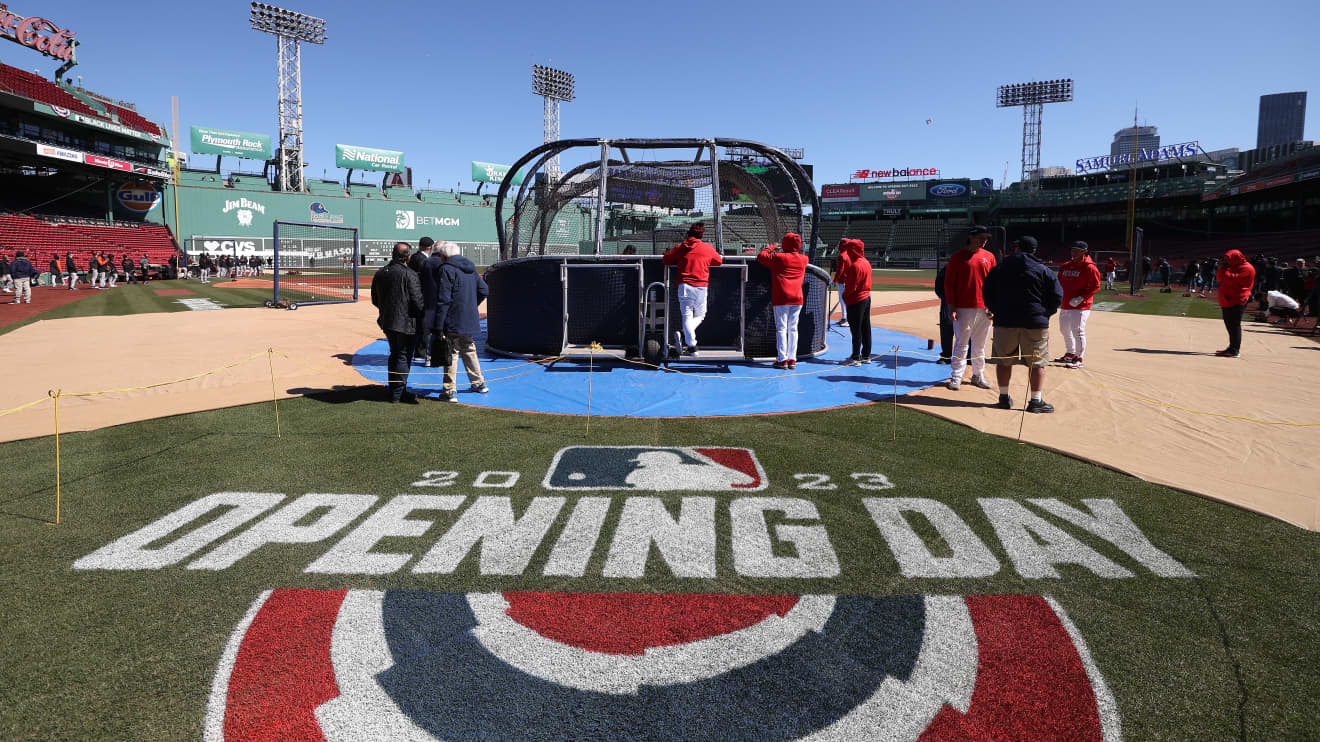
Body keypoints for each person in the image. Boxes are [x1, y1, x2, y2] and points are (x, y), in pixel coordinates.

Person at [983, 236, 1063, 413]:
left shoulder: (1000, 268)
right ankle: (1035, 401)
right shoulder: (1044, 270)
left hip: (1005, 321)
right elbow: (1057, 296)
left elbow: (987, 292)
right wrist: (1044, 313)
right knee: (1037, 363)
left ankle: (1003, 398)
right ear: (1034, 250)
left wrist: (996, 309)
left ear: (1017, 248)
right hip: (1035, 322)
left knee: (1004, 361)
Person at [432, 241, 489, 402]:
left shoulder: (446, 269)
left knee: (451, 352)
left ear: (443, 256)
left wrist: (438, 325)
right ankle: (478, 383)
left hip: (452, 318)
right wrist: (471, 305)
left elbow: (443, 299)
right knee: (469, 349)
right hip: (469, 318)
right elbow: (484, 290)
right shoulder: (470, 268)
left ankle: (450, 390)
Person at [943, 225, 997, 390]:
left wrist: (993, 306)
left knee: (980, 344)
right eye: (981, 237)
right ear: (971, 237)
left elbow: (995, 284)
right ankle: (956, 376)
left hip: (985, 308)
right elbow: (949, 284)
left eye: (986, 238)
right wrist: (951, 307)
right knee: (961, 343)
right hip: (963, 308)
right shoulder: (957, 257)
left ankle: (977, 374)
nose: (984, 241)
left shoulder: (989, 257)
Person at [370, 242, 424, 403]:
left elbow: (375, 299)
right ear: (408, 257)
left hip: (388, 321)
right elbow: (418, 302)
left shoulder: (380, 273)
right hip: (405, 323)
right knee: (402, 356)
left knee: (395, 354)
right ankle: (397, 393)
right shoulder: (409, 274)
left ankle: (396, 389)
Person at [662, 224, 723, 355]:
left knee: (687, 316)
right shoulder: (707, 248)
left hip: (684, 286)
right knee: (700, 316)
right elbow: (718, 261)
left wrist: (679, 261)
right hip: (701, 286)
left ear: (689, 233)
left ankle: (688, 339)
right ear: (702, 235)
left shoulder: (681, 247)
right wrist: (705, 261)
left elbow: (666, 259)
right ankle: (691, 345)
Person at [757, 232, 809, 369]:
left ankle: (782, 359)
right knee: (793, 329)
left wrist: (771, 247)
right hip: (797, 298)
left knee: (781, 329)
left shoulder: (779, 257)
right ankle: (792, 359)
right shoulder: (804, 259)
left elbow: (761, 256)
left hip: (782, 298)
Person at [1055, 241, 1102, 369]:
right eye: (1072, 249)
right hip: (1066, 304)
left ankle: (1079, 358)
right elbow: (1058, 282)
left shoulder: (1089, 267)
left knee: (1078, 331)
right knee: (1064, 329)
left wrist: (1081, 298)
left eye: (1077, 250)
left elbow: (1096, 286)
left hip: (1081, 306)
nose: (1073, 252)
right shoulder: (1066, 266)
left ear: (1084, 252)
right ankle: (1070, 353)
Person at [832, 238, 872, 364]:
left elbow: (851, 287)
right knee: (866, 327)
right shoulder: (866, 262)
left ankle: (855, 357)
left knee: (856, 330)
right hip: (866, 297)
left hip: (856, 300)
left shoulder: (856, 266)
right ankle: (866, 355)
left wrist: (845, 297)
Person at [1215, 250, 1255, 358]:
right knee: (1229, 324)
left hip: (1237, 300)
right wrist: (1221, 269)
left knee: (1234, 325)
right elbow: (1220, 278)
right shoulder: (1232, 267)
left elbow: (1230, 279)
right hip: (1227, 299)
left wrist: (1223, 269)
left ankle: (1235, 350)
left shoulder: (1247, 268)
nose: (1225, 261)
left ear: (1235, 258)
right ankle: (1231, 347)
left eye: (1227, 259)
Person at [407, 237, 436, 363]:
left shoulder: (414, 257)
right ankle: (421, 353)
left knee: (418, 326)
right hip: (422, 297)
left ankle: (418, 352)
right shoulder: (423, 260)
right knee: (424, 326)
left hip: (413, 296)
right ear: (429, 247)